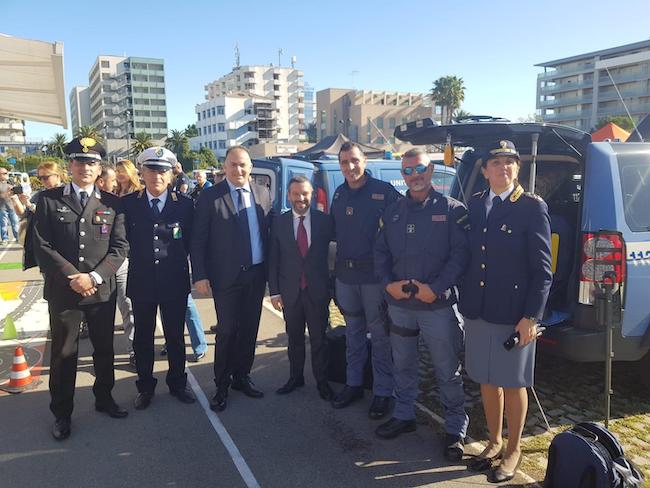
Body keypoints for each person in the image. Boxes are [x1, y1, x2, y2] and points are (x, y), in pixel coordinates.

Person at [461, 140, 552, 483]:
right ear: (485, 170)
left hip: (514, 313)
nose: (504, 167)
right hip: (479, 308)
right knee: (486, 379)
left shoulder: (531, 207)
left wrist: (531, 316)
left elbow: (543, 271)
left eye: (510, 161)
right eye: (496, 162)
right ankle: (494, 440)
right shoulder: (475, 204)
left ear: (518, 167)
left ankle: (513, 449)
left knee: (513, 383)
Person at [374, 148, 470, 461]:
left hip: (436, 306)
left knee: (446, 368)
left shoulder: (452, 210)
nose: (414, 176)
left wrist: (437, 289)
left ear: (431, 171)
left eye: (419, 169)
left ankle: (455, 427)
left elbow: (460, 256)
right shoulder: (392, 212)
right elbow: (380, 253)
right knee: (402, 363)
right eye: (407, 171)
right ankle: (404, 414)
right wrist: (387, 284)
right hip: (400, 305)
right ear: (402, 175)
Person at [33, 137, 129, 441]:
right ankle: (62, 413)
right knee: (64, 354)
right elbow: (41, 245)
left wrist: (95, 278)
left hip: (100, 290)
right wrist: (75, 277)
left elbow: (119, 248)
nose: (85, 167)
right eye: (79, 161)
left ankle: (104, 398)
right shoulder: (48, 200)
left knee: (104, 349)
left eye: (91, 163)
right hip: (64, 291)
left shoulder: (113, 203)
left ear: (99, 168)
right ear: (70, 166)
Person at [191, 145, 273, 412]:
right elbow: (198, 240)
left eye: (243, 164)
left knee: (249, 330)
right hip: (225, 277)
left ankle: (242, 377)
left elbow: (268, 234)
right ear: (224, 167)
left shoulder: (262, 193)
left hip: (256, 275)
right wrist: (200, 275)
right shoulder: (210, 197)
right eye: (233, 164)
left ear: (251, 167)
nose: (239, 169)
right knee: (227, 331)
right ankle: (222, 385)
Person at [330, 141, 401, 419]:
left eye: (354, 160)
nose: (350, 167)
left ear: (364, 161)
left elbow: (401, 230)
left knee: (380, 337)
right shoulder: (339, 194)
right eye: (344, 162)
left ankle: (383, 391)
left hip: (373, 278)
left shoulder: (384, 192)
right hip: (346, 277)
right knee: (353, 334)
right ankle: (354, 384)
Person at [122, 146, 196, 410]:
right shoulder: (129, 204)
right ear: (141, 173)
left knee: (175, 336)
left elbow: (192, 243)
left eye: (163, 171)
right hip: (141, 281)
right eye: (151, 170)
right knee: (143, 337)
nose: (157, 176)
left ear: (171, 174)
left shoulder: (185, 205)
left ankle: (177, 383)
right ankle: (145, 387)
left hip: (174, 281)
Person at [269, 176, 334, 401]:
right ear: (288, 196)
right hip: (291, 292)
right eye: (296, 194)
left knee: (319, 339)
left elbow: (335, 255)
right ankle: (295, 377)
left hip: (317, 291)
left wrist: (332, 288)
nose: (300, 198)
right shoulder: (279, 223)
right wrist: (274, 292)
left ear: (312, 194)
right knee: (294, 338)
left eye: (305, 193)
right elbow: (273, 259)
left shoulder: (325, 221)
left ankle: (322, 381)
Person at [10, 161, 64, 270]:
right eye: (40, 178)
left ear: (57, 175)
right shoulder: (40, 195)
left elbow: (53, 215)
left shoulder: (67, 193)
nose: (43, 181)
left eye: (46, 177)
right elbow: (23, 215)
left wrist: (30, 205)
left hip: (63, 243)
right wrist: (15, 200)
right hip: (43, 244)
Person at [114, 159, 142, 360]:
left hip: (133, 255)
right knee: (123, 303)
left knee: (129, 303)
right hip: (116, 253)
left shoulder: (138, 193)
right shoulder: (114, 193)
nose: (119, 173)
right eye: (117, 170)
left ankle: (134, 348)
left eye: (122, 170)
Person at [0, 167, 20, 244]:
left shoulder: (10, 182)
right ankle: (5, 238)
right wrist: (6, 193)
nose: (6, 175)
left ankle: (17, 237)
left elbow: (16, 192)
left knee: (15, 223)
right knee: (3, 224)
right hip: (2, 208)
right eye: (4, 173)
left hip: (12, 206)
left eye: (6, 173)